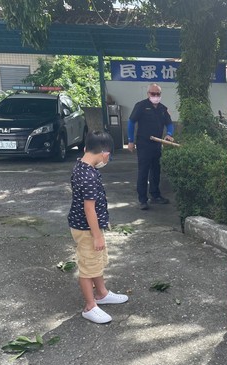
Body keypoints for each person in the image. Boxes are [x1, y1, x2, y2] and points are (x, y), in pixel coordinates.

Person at [68, 130, 129, 324]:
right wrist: (97, 236)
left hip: (87, 227)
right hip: (87, 229)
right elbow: (89, 209)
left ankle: (102, 293)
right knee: (87, 266)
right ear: (105, 153)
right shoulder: (89, 177)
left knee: (95, 261)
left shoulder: (81, 166)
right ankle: (90, 306)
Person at [127, 83, 175, 210]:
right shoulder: (141, 106)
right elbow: (131, 122)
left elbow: (169, 124)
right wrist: (130, 141)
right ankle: (142, 199)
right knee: (143, 171)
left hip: (157, 144)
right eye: (153, 93)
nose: (155, 96)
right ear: (148, 94)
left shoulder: (163, 109)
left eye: (158, 94)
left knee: (156, 171)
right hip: (143, 144)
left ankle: (155, 195)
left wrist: (169, 134)